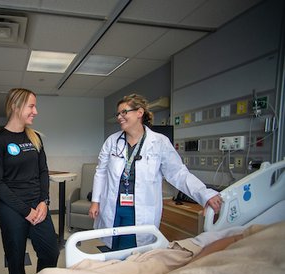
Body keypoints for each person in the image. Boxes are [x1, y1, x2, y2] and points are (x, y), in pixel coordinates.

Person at [88, 93, 222, 250]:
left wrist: (204, 193)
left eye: (124, 112)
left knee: (132, 252)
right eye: (118, 113)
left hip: (140, 209)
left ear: (139, 112)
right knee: (114, 248)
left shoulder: (159, 142)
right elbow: (101, 172)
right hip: (113, 206)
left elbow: (178, 173)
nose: (119, 117)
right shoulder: (112, 141)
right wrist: (95, 202)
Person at [0, 88, 59, 274]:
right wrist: (25, 210)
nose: (35, 111)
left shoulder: (35, 137)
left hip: (38, 205)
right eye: (31, 106)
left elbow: (43, 171)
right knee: (15, 258)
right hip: (12, 208)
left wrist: (44, 201)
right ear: (15, 106)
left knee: (50, 251)